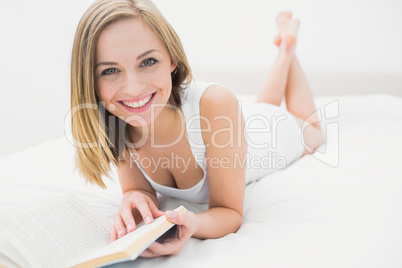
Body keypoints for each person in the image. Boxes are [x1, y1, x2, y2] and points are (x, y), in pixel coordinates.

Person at [70, 0, 324, 257]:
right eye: (110, 70)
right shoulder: (119, 118)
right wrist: (133, 198)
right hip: (235, 129)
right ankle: (285, 46)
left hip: (272, 136)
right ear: (90, 80)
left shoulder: (216, 102)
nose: (133, 88)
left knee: (310, 127)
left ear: (172, 59)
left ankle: (288, 50)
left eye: (147, 62)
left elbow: (230, 213)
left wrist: (193, 224)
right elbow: (139, 188)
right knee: (263, 107)